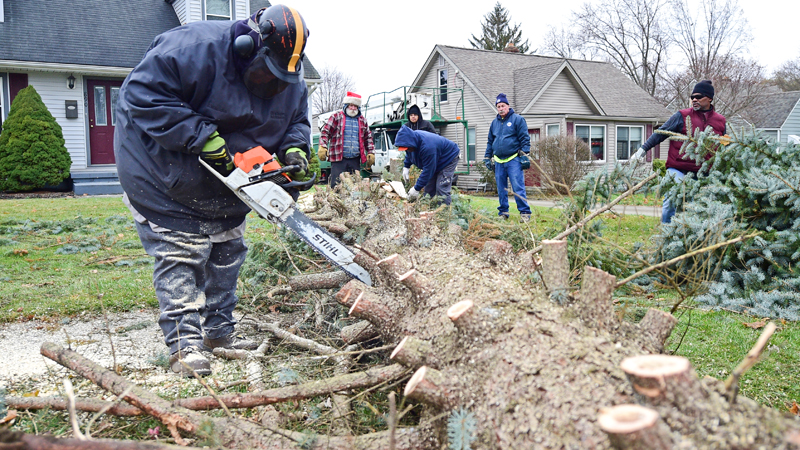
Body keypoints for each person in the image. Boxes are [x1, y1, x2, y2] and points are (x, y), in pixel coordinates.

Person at [114, 5, 312, 377]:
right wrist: (202, 138)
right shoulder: (190, 49)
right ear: (246, 48)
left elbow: (296, 121)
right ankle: (183, 345)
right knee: (180, 254)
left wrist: (295, 148)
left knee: (228, 253)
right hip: (161, 172)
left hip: (228, 182)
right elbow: (142, 94)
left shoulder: (291, 79)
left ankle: (218, 333)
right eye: (265, 74)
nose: (271, 84)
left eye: (280, 80)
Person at [632, 80, 726, 223]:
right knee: (671, 200)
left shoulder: (720, 121)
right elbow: (661, 133)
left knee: (697, 207)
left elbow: (725, 145)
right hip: (678, 169)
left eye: (699, 96)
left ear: (709, 98)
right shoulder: (682, 116)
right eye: (692, 96)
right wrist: (642, 150)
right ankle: (666, 234)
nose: (694, 99)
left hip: (704, 173)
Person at [484, 93, 531, 222]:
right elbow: (490, 141)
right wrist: (487, 157)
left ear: (508, 106)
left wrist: (525, 154)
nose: (500, 108)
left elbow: (525, 138)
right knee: (501, 189)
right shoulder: (494, 123)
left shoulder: (517, 120)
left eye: (503, 106)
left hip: (513, 159)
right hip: (499, 161)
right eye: (498, 106)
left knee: (517, 187)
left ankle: (525, 213)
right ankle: (503, 213)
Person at [317, 92, 375, 188]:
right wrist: (322, 146)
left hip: (355, 160)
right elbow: (325, 132)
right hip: (338, 159)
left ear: (358, 108)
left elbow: (368, 138)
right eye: (351, 105)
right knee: (336, 186)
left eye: (355, 106)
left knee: (355, 186)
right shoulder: (336, 117)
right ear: (346, 105)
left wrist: (371, 152)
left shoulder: (362, 120)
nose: (353, 108)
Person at [395, 126, 460, 205]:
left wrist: (416, 188)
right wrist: (406, 166)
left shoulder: (428, 147)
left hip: (449, 157)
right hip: (437, 158)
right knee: (429, 188)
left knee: (441, 187)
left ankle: (445, 212)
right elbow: (409, 154)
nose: (407, 150)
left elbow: (428, 170)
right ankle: (429, 210)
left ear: (411, 143)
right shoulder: (412, 142)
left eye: (407, 148)